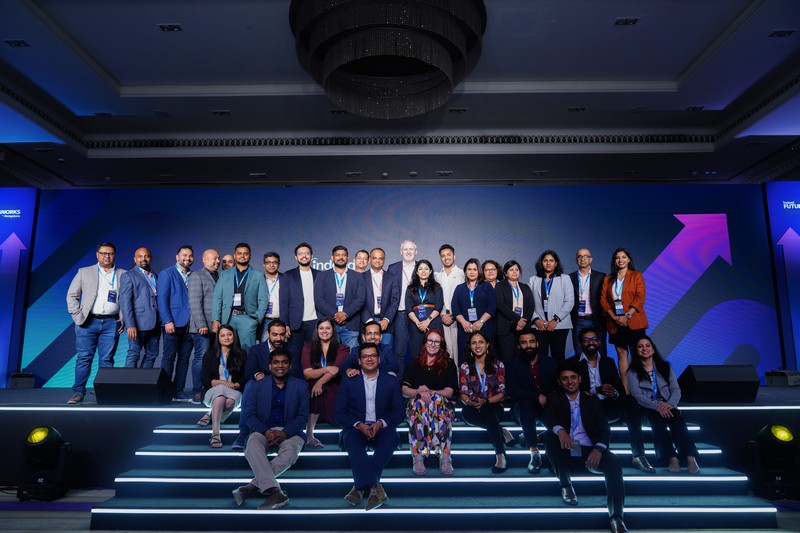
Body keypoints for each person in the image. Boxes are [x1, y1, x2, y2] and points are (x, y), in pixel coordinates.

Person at [543, 359, 627, 533]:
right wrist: (561, 431)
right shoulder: (554, 398)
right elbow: (547, 418)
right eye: (565, 378)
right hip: (567, 448)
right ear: (559, 381)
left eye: (573, 377)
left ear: (580, 379)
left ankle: (616, 518)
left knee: (614, 462)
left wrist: (599, 448)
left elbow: (605, 430)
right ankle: (566, 486)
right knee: (549, 436)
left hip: (588, 449)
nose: (570, 381)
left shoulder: (592, 401)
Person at [568, 327, 653, 473]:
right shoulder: (572, 363)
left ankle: (638, 455)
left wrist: (613, 393)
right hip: (585, 409)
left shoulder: (608, 362)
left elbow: (619, 387)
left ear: (599, 342)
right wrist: (596, 390)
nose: (591, 342)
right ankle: (578, 458)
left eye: (594, 339)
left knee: (630, 401)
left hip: (608, 407)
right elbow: (569, 390)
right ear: (580, 344)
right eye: (586, 340)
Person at [233, 348, 309, 510]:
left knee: (290, 452)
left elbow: (303, 416)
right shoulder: (257, 386)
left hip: (290, 432)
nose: (280, 366)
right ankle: (275, 492)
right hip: (263, 430)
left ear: (290, 366)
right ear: (269, 366)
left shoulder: (301, 386)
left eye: (284, 362)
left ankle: (250, 488)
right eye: (276, 362)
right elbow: (249, 415)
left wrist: (285, 433)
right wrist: (265, 431)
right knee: (252, 446)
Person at [335, 342, 404, 511]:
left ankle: (358, 488)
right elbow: (339, 413)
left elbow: (399, 413)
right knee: (351, 439)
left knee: (391, 437)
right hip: (356, 428)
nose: (369, 359)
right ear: (359, 361)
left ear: (379, 359)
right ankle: (375, 488)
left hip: (382, 428)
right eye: (365, 356)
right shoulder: (349, 381)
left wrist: (381, 423)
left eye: (373, 355)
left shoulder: (391, 381)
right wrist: (359, 425)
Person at [66, 242, 126, 404]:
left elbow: (128, 299)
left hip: (111, 322)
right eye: (103, 253)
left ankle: (105, 394)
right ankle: (78, 393)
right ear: (97, 255)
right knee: (84, 358)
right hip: (87, 322)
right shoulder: (84, 272)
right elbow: (72, 295)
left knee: (107, 360)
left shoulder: (123, 274)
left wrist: (124, 318)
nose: (107, 256)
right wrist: (77, 315)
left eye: (110, 253)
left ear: (114, 255)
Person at [628, 336, 699, 475]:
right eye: (640, 346)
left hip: (668, 405)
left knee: (677, 419)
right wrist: (656, 406)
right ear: (636, 351)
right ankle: (672, 458)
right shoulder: (633, 372)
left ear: (653, 349)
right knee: (657, 420)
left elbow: (676, 389)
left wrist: (670, 404)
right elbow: (637, 395)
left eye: (647, 345)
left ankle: (690, 457)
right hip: (648, 408)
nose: (644, 349)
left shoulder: (665, 367)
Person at [402, 328, 458, 475]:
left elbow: (450, 391)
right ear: (425, 342)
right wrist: (418, 391)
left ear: (441, 345)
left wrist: (432, 392)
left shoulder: (449, 364)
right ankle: (418, 456)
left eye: (437, 342)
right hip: (417, 407)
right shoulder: (414, 364)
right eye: (430, 341)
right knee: (420, 401)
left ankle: (445, 456)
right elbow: (404, 390)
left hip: (442, 407)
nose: (433, 344)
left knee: (437, 400)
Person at [231, 319, 289, 450]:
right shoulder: (256, 350)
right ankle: (243, 433)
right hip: (262, 384)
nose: (278, 338)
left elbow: (295, 371)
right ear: (268, 333)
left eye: (281, 335)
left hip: (284, 382)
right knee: (249, 385)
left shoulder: (292, 348)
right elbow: (249, 371)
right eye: (275, 334)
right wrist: (257, 375)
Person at [505, 328, 556, 474]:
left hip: (546, 407)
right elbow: (513, 390)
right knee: (526, 403)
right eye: (524, 343)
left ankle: (556, 455)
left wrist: (547, 399)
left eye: (531, 342)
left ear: (537, 344)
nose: (528, 345)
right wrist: (536, 396)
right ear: (518, 346)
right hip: (523, 409)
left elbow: (556, 387)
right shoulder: (513, 364)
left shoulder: (549, 362)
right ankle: (534, 452)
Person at [459, 331, 510, 473]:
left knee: (487, 408)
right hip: (474, 407)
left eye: (481, 342)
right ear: (470, 347)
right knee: (465, 412)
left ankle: (500, 455)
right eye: (474, 343)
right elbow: (463, 392)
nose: (477, 345)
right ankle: (501, 431)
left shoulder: (498, 364)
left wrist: (486, 401)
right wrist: (469, 402)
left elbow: (501, 393)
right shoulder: (465, 366)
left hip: (494, 406)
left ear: (487, 345)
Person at [600, 247, 648, 392]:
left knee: (637, 355)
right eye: (617, 257)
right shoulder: (608, 279)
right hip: (615, 322)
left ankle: (641, 390)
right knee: (621, 353)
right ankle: (626, 391)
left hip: (633, 321)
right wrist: (614, 316)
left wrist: (627, 315)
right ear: (614, 260)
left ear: (628, 260)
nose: (620, 260)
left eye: (623, 257)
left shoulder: (636, 275)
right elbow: (603, 300)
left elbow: (640, 297)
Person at [301, 317, 349, 449]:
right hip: (313, 385)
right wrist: (327, 369)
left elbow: (336, 371)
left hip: (335, 384)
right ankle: (309, 435)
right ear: (317, 330)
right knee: (314, 390)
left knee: (325, 389)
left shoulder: (343, 348)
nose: (324, 331)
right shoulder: (308, 348)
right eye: (321, 328)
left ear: (333, 330)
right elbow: (307, 374)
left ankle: (347, 433)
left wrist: (320, 382)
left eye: (328, 328)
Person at [211, 242, 268, 351]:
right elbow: (217, 297)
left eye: (245, 254)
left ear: (250, 256)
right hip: (227, 318)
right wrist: (215, 319)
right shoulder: (225, 274)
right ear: (235, 255)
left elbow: (263, 299)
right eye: (239, 253)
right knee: (227, 351)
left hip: (248, 318)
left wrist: (257, 319)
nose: (242, 256)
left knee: (247, 352)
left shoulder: (258, 275)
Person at [199, 325, 247, 449]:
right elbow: (204, 379)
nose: (226, 338)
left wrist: (237, 384)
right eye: (223, 335)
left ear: (234, 336)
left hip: (233, 391)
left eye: (229, 334)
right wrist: (223, 382)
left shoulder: (241, 354)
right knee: (220, 392)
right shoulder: (210, 354)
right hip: (212, 391)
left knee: (230, 402)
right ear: (218, 338)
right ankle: (215, 433)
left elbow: (245, 376)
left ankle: (211, 414)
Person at [157, 244, 194, 401]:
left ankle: (178, 391)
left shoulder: (193, 275)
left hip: (190, 325)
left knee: (184, 359)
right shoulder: (167, 273)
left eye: (190, 256)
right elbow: (162, 299)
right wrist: (167, 320)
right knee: (169, 358)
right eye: (184, 255)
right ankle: (165, 392)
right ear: (177, 257)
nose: (187, 258)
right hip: (172, 323)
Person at [314, 245, 365, 351]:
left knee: (352, 355)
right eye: (337, 255)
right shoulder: (322, 276)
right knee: (330, 355)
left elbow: (360, 299)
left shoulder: (357, 276)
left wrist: (346, 314)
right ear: (332, 257)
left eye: (343, 255)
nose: (341, 257)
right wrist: (336, 315)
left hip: (350, 324)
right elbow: (319, 299)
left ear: (348, 258)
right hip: (329, 324)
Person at [529, 250, 575, 364]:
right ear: (541, 263)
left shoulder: (565, 278)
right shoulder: (533, 279)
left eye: (551, 260)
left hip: (559, 324)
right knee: (540, 357)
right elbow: (528, 303)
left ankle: (560, 377)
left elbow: (569, 301)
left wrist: (555, 319)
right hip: (539, 325)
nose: (548, 263)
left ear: (556, 263)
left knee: (558, 356)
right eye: (545, 260)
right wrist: (536, 320)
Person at [187, 249, 220, 404]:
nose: (217, 261)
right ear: (204, 259)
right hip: (202, 327)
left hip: (215, 327)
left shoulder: (218, 276)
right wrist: (201, 324)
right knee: (200, 358)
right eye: (214, 259)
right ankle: (197, 391)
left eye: (218, 259)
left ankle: (208, 390)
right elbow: (194, 302)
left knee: (212, 360)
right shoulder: (196, 276)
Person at [119, 247, 159, 369]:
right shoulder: (128, 276)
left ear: (150, 258)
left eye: (146, 256)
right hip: (138, 323)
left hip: (156, 323)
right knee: (134, 353)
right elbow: (125, 302)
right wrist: (130, 325)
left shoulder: (155, 276)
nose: (143, 259)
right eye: (140, 256)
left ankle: (143, 380)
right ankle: (127, 381)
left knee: (152, 354)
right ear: (135, 259)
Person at [283, 242, 319, 378]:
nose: (304, 256)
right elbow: (284, 301)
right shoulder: (288, 275)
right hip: (295, 323)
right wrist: (285, 323)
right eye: (300, 253)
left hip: (314, 322)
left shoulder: (319, 275)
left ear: (312, 256)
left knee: (313, 356)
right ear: (296, 257)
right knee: (294, 357)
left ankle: (312, 385)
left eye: (307, 253)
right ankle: (295, 384)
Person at [452, 258, 497, 361]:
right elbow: (455, 307)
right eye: (469, 269)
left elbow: (492, 306)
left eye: (474, 269)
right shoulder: (459, 288)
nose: (472, 272)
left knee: (486, 358)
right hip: (465, 328)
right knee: (465, 357)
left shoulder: (486, 286)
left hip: (484, 327)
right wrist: (463, 322)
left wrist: (481, 322)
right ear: (465, 271)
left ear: (479, 271)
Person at [387, 240, 418, 377]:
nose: (408, 252)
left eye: (411, 249)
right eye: (405, 249)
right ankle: (399, 383)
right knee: (399, 351)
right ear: (401, 252)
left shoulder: (422, 267)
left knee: (418, 350)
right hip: (400, 314)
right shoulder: (393, 268)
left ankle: (416, 382)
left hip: (418, 315)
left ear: (416, 252)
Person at [569, 248, 607, 357]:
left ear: (591, 259)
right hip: (578, 320)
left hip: (596, 319)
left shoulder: (600, 276)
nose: (582, 259)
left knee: (600, 351)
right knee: (579, 352)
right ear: (576, 260)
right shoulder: (570, 277)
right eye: (580, 256)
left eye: (586, 256)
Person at [495, 260, 534, 360]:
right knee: (508, 358)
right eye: (511, 270)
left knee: (523, 358)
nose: (514, 272)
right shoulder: (499, 286)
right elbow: (501, 305)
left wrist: (523, 322)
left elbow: (531, 306)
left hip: (523, 327)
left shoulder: (525, 287)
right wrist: (518, 320)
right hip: (506, 328)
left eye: (517, 269)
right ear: (505, 273)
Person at [405, 259, 444, 361]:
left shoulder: (437, 287)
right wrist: (418, 323)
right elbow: (408, 308)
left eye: (426, 269)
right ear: (417, 271)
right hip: (415, 324)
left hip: (433, 322)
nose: (423, 271)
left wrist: (427, 321)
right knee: (416, 352)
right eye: (420, 269)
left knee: (434, 351)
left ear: (430, 271)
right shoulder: (410, 288)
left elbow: (439, 306)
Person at [361, 247, 399, 347]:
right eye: (375, 258)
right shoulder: (361, 277)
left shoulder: (392, 278)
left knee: (385, 352)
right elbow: (359, 301)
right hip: (367, 321)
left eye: (380, 258)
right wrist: (369, 321)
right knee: (367, 352)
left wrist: (386, 319)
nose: (377, 261)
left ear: (384, 260)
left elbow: (395, 300)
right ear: (370, 259)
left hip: (385, 323)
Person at [435, 244, 464, 361]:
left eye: (448, 255)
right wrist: (442, 316)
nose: (446, 258)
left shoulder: (462, 274)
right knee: (446, 352)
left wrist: (454, 316)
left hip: (459, 318)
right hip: (442, 318)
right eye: (443, 256)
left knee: (459, 351)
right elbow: (435, 299)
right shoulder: (437, 277)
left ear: (454, 256)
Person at [259, 252, 288, 342]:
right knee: (264, 347)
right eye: (268, 262)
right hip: (264, 321)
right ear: (264, 265)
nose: (271, 265)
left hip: (281, 320)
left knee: (282, 348)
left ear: (279, 264)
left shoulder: (285, 279)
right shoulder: (258, 279)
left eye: (274, 262)